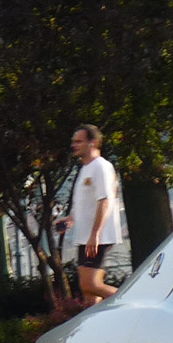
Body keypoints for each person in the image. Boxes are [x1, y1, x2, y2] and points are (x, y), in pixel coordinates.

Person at [56, 125, 123, 306]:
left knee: (90, 284)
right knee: (89, 296)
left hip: (98, 237)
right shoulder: (85, 168)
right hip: (86, 236)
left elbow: (105, 201)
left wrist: (96, 234)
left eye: (78, 141)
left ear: (92, 143)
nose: (73, 145)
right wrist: (70, 218)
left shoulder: (101, 167)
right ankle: (98, 331)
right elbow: (86, 202)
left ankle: (131, 304)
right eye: (73, 141)